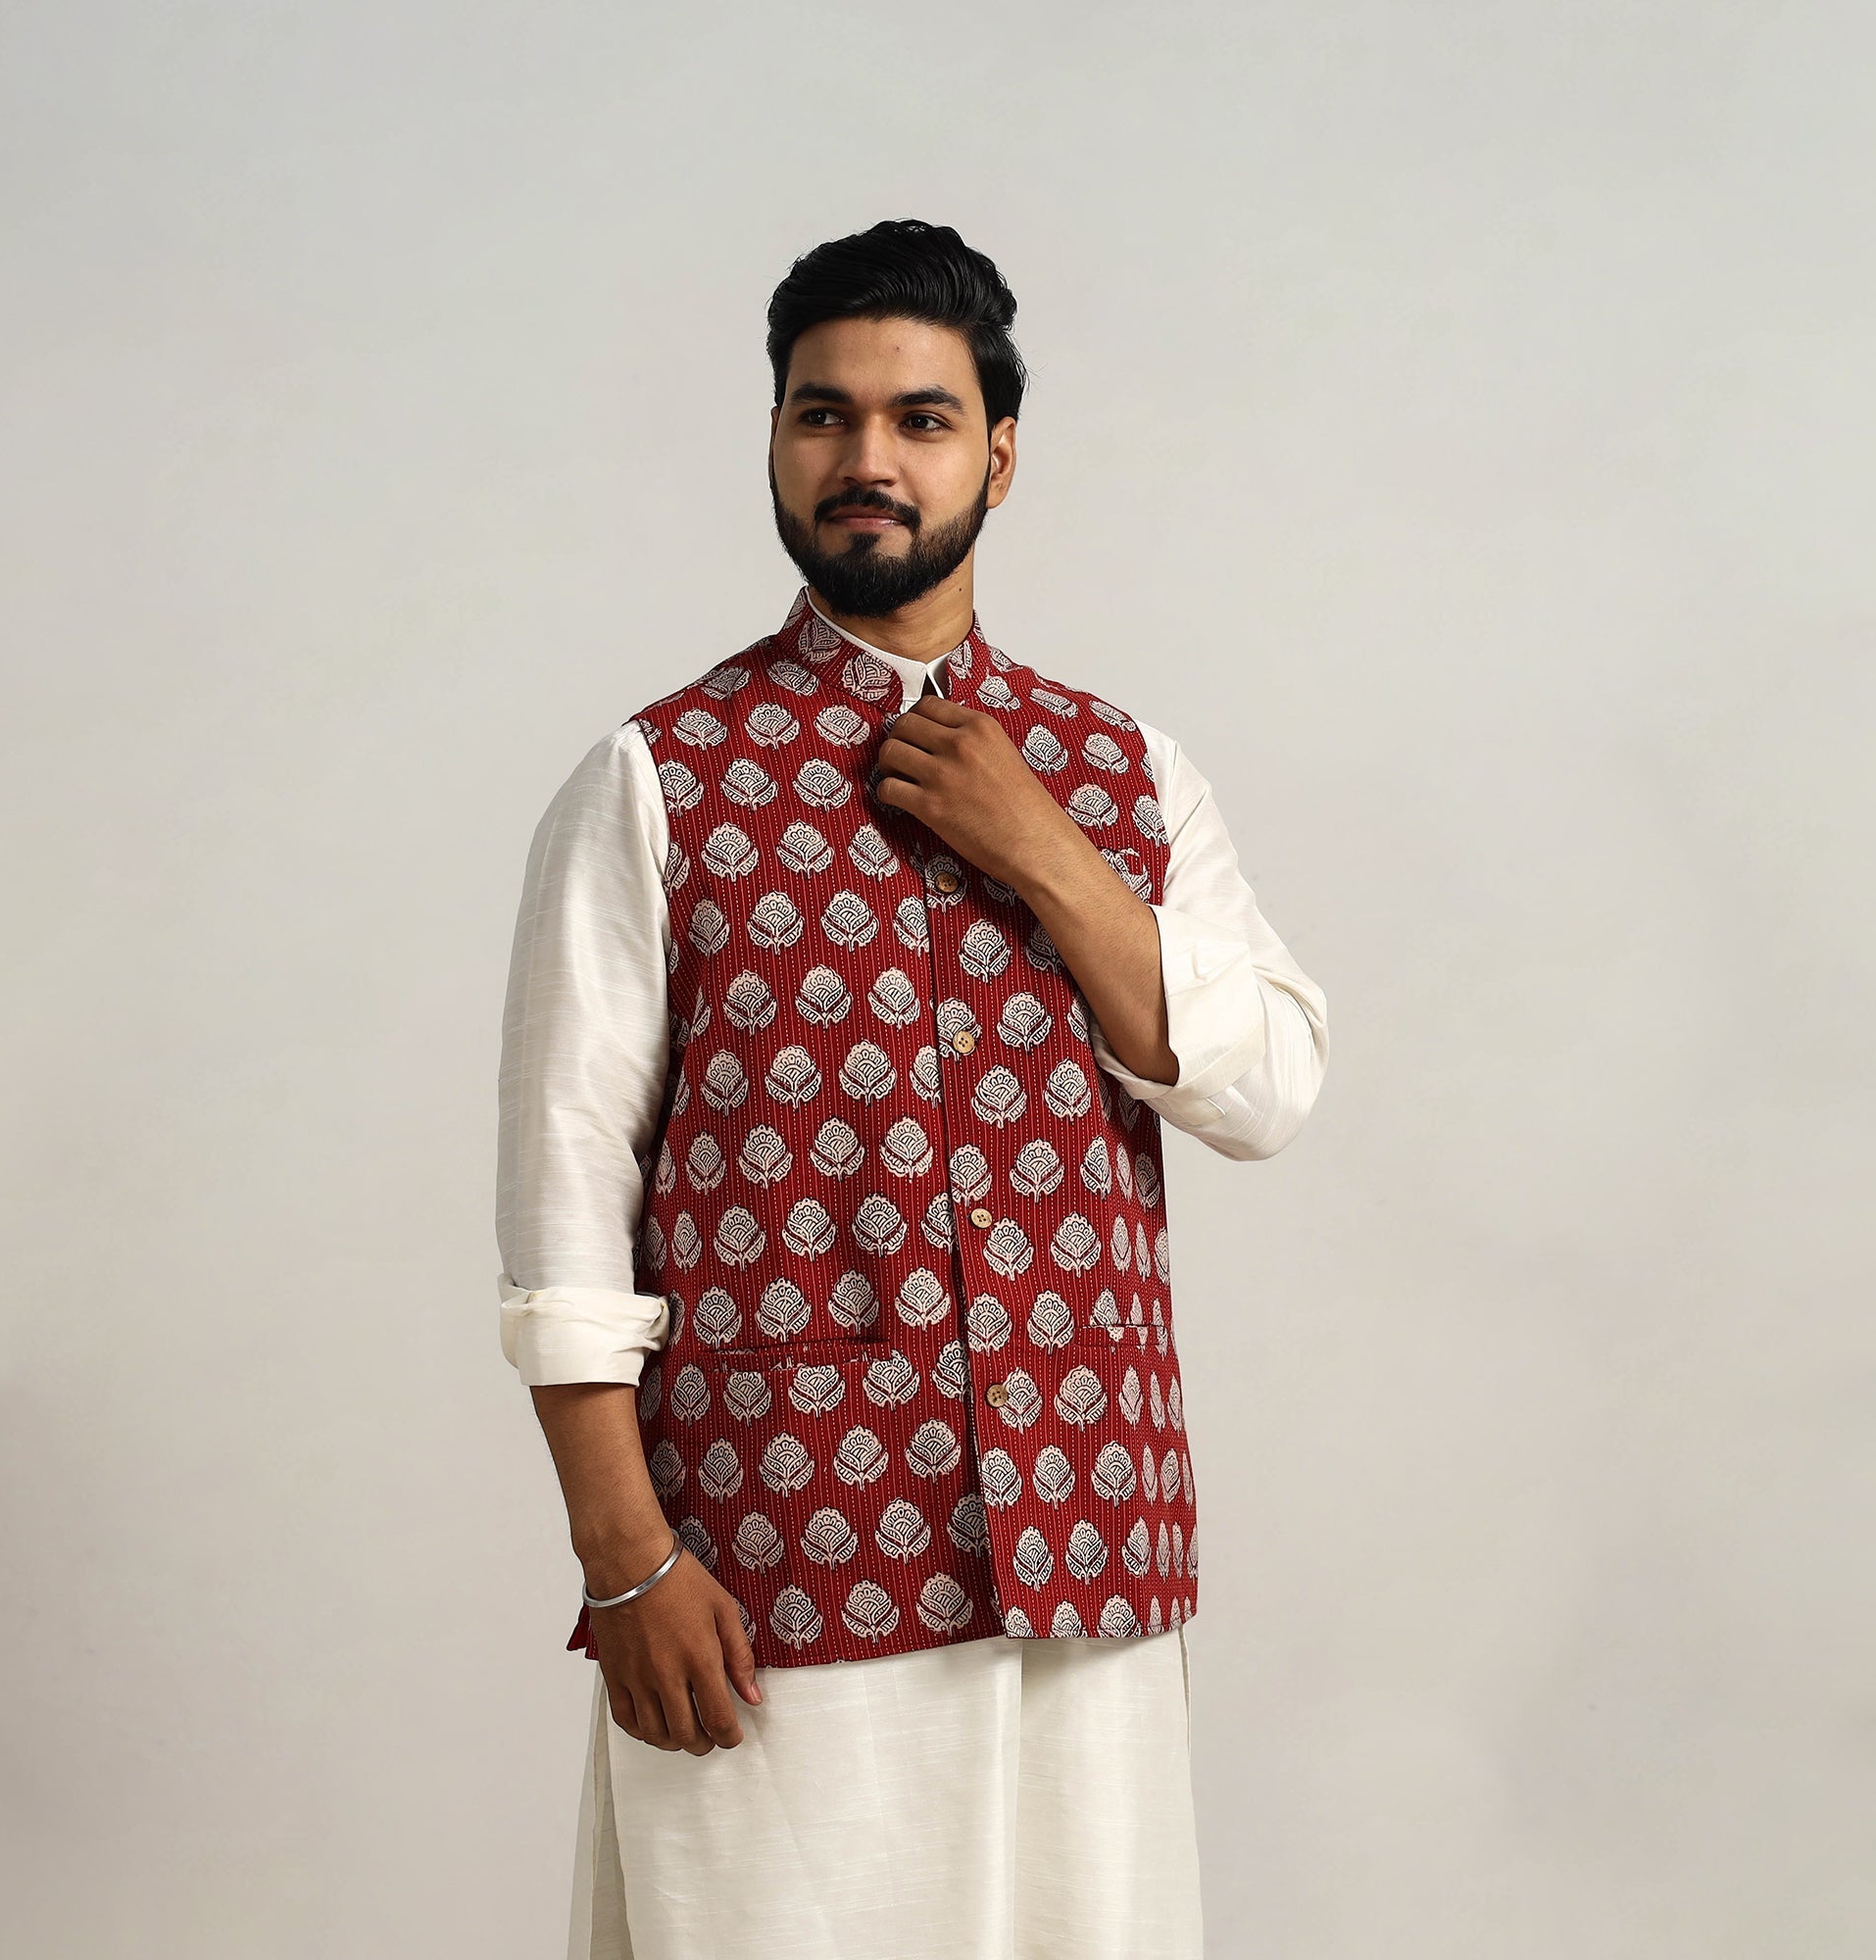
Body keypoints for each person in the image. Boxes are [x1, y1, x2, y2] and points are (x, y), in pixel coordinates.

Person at [495, 218, 1330, 1960]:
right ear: (775, 441)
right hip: (774, 1569)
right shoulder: (656, 782)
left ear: (998, 457)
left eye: (921, 419)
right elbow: (565, 1211)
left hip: (1086, 1560)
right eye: (825, 415)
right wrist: (626, 1560)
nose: (867, 459)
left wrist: (1052, 855)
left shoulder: (1123, 773)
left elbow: (1266, 1088)